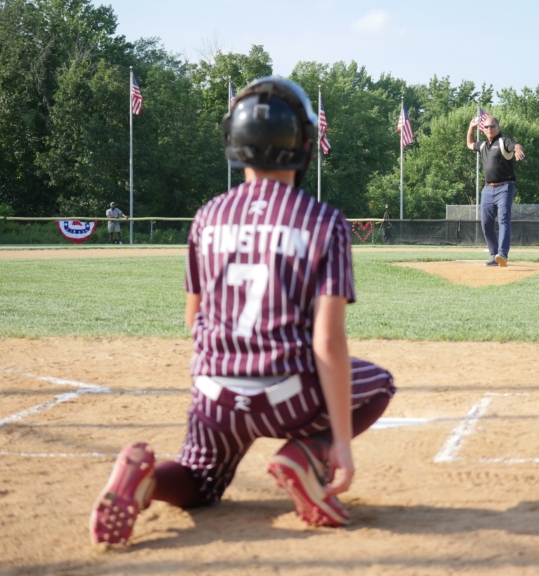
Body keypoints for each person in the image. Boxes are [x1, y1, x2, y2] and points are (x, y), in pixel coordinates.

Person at [90, 77, 396, 545]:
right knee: (378, 383)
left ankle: (146, 482)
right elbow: (328, 343)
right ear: (303, 144)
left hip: (214, 392)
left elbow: (194, 319)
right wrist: (337, 445)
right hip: (286, 392)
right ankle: (305, 455)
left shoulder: (207, 215)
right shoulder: (323, 221)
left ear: (234, 144)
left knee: (200, 480)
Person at [467, 114, 525, 266]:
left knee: (504, 219)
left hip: (505, 187)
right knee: (486, 223)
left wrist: (518, 150)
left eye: (492, 126)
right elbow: (470, 143)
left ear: (498, 128)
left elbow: (515, 145)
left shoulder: (503, 141)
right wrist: (471, 127)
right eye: (486, 126)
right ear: (483, 129)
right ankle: (494, 256)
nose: (489, 129)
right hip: (487, 189)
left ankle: (503, 254)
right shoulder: (483, 146)